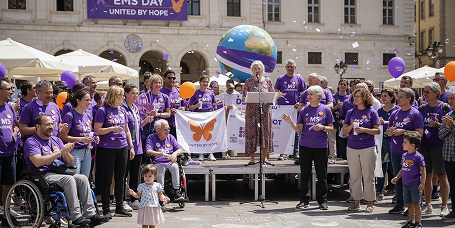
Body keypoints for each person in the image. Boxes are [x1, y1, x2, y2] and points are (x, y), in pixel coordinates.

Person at [24, 114, 109, 226]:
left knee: (83, 178)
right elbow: (37, 161)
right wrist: (59, 152)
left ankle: (90, 214)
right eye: (47, 124)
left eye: (52, 124)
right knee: (69, 179)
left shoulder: (56, 140)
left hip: (59, 172)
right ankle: (76, 217)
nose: (51, 127)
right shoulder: (32, 142)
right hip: (42, 174)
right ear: (38, 127)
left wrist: (66, 152)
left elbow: (69, 162)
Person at [283, 85, 334, 210]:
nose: (308, 96)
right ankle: (304, 200)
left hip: (321, 146)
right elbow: (299, 130)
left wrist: (322, 127)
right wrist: (290, 122)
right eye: (308, 94)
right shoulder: (304, 110)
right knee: (305, 174)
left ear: (319, 96)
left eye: (311, 94)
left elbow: (331, 128)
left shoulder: (326, 109)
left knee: (321, 174)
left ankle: (322, 201)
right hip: (305, 145)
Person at [94, 86, 135, 218]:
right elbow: (97, 130)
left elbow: (127, 130)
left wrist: (131, 146)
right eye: (121, 95)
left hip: (122, 147)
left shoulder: (123, 110)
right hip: (106, 148)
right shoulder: (102, 110)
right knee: (107, 179)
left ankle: (119, 207)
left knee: (121, 178)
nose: (123, 97)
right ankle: (106, 209)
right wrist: (110, 129)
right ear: (114, 96)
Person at [342, 87, 381, 212]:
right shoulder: (351, 112)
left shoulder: (372, 112)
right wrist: (352, 126)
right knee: (354, 176)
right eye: (354, 96)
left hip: (367, 147)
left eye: (358, 96)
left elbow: (378, 130)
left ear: (365, 98)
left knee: (368, 176)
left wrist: (364, 130)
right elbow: (344, 130)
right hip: (352, 147)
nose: (355, 98)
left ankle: (370, 203)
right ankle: (356, 202)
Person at [386, 88, 424, 214]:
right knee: (398, 178)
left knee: (411, 180)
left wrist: (405, 132)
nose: (398, 99)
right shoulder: (395, 113)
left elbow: (420, 133)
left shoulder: (415, 113)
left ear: (409, 99)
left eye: (400, 97)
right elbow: (388, 130)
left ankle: (411, 207)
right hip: (396, 150)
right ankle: (400, 204)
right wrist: (390, 131)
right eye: (398, 96)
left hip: (411, 153)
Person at [418, 82, 451, 216]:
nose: (424, 94)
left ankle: (444, 206)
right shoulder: (421, 108)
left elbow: (450, 126)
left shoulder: (444, 107)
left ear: (436, 93)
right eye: (424, 92)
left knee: (442, 177)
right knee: (426, 177)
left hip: (439, 146)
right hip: (424, 145)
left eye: (427, 92)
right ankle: (428, 204)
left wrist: (439, 125)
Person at [122, 84, 152, 210]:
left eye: (137, 93)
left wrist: (145, 121)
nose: (136, 96)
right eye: (133, 93)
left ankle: (134, 199)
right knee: (124, 174)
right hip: (128, 147)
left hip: (138, 146)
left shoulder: (135, 108)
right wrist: (130, 145)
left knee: (135, 174)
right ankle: (122, 199)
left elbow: (137, 126)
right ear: (126, 94)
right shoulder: (123, 108)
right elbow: (126, 129)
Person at [243, 60, 275, 165]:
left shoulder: (268, 81)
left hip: (265, 111)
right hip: (251, 111)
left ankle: (265, 158)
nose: (257, 70)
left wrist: (275, 96)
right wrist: (247, 96)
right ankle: (252, 159)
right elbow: (244, 98)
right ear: (252, 70)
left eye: (259, 68)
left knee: (265, 132)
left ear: (262, 70)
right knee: (252, 132)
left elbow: (272, 95)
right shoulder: (248, 81)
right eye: (255, 68)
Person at [60, 89, 98, 178]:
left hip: (87, 151)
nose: (89, 102)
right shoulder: (70, 115)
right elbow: (63, 136)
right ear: (78, 100)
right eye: (86, 100)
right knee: (75, 180)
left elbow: (87, 132)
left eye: (89, 100)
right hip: (74, 151)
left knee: (84, 180)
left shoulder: (87, 115)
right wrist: (81, 139)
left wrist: (95, 137)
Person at [274, 59, 307, 161]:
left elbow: (304, 93)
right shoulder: (280, 78)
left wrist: (300, 103)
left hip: (295, 109)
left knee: (296, 130)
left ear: (295, 68)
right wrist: (278, 96)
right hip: (283, 109)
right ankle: (283, 153)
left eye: (291, 67)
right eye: (288, 66)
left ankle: (295, 152)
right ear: (285, 68)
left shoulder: (299, 79)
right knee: (283, 130)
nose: (289, 68)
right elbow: (275, 92)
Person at [391, 132, 426, 228]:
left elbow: (423, 170)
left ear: (412, 145)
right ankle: (411, 221)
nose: (403, 144)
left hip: (415, 184)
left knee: (416, 205)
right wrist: (397, 177)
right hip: (405, 184)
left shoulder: (418, 156)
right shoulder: (404, 155)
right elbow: (402, 168)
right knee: (409, 205)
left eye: (405, 142)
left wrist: (423, 182)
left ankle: (418, 223)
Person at [145, 119, 185, 201]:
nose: (168, 131)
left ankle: (177, 191)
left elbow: (180, 150)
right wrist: (161, 154)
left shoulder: (171, 137)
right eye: (165, 129)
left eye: (168, 129)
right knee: (160, 167)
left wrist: (174, 154)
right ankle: (161, 191)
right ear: (158, 130)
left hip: (170, 162)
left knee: (175, 166)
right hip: (158, 162)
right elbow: (148, 151)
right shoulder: (151, 137)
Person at [0, 79, 20, 226]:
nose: (11, 91)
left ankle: (6, 213)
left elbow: (13, 125)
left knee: (9, 185)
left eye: (12, 88)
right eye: (8, 89)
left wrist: (15, 131)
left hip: (9, 153)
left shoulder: (10, 107)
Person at [376, 88, 400, 201]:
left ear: (391, 97)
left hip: (394, 140)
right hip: (382, 140)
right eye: (382, 96)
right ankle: (379, 191)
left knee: (395, 167)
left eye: (386, 96)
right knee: (382, 167)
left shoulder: (397, 110)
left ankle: (397, 191)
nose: (383, 98)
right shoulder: (379, 111)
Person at [189, 73, 218, 161]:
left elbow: (215, 105)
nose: (205, 83)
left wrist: (217, 113)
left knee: (209, 135)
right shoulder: (195, 93)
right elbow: (189, 107)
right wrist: (195, 106)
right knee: (200, 135)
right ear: (200, 82)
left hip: (208, 116)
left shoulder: (211, 93)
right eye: (204, 82)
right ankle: (200, 154)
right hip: (198, 116)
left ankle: (210, 153)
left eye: (207, 82)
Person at [438, 89, 455, 220]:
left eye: (453, 99)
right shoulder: (449, 114)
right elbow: (441, 135)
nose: (450, 101)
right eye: (449, 99)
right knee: (453, 185)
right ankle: (454, 210)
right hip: (448, 156)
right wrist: (448, 127)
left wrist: (452, 126)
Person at [160, 70, 188, 139]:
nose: (172, 80)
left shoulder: (179, 91)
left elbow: (185, 104)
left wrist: (183, 108)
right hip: (165, 125)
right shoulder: (160, 92)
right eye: (169, 78)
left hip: (178, 124)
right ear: (164, 79)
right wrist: (168, 111)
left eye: (173, 78)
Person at [330, 79, 350, 164]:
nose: (342, 86)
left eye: (344, 84)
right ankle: (335, 156)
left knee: (344, 139)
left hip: (346, 121)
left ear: (347, 86)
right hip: (336, 120)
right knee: (335, 139)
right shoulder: (334, 96)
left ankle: (345, 156)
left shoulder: (350, 97)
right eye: (341, 84)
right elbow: (330, 109)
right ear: (338, 85)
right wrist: (336, 107)